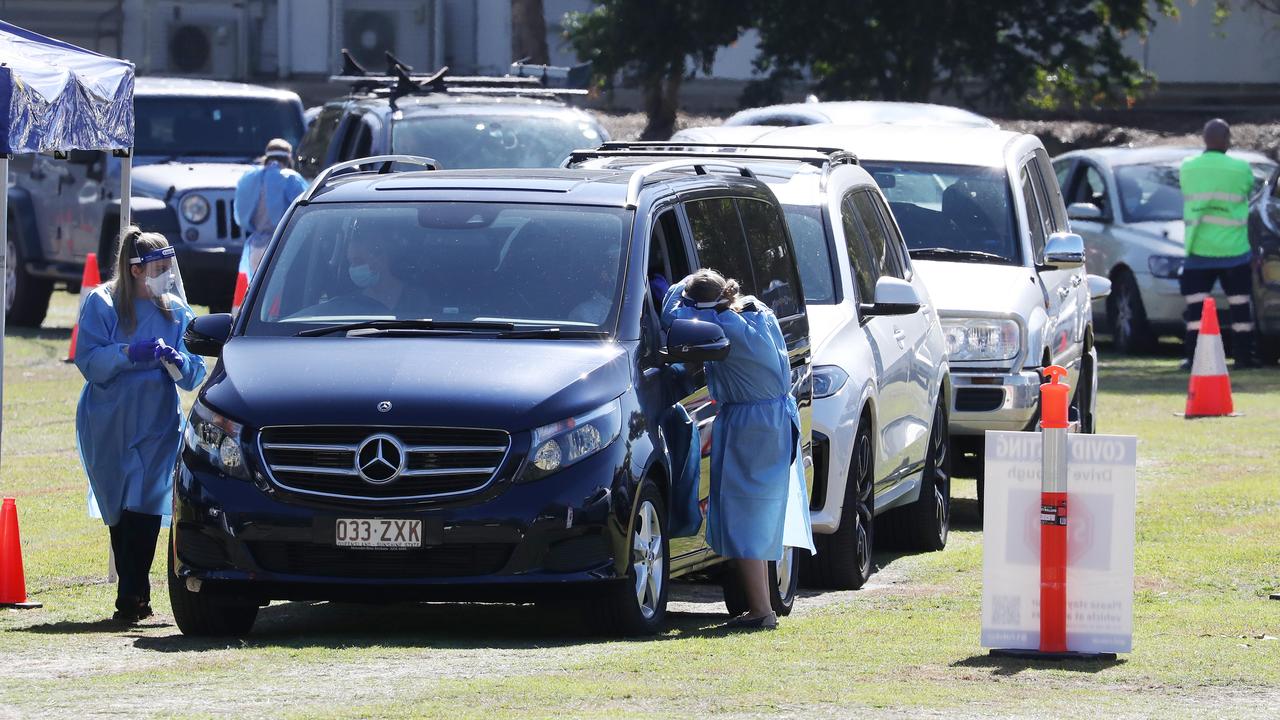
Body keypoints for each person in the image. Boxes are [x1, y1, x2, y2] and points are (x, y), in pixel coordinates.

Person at [660, 269, 815, 630]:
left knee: (746, 516)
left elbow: (671, 317)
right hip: (774, 419)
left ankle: (762, 610)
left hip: (752, 426)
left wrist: (677, 288)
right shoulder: (756, 310)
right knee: (756, 514)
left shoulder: (722, 326)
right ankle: (761, 606)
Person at [74, 227, 207, 624]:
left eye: (169, 267)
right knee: (118, 504)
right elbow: (89, 361)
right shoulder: (103, 303)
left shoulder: (177, 312)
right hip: (109, 419)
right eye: (159, 268)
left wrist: (179, 361)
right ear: (135, 270)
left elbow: (194, 373)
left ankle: (133, 595)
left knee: (146, 502)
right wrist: (127, 353)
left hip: (156, 421)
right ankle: (132, 591)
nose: (168, 275)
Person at [1179, 118, 1259, 369]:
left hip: (1198, 249)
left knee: (1195, 312)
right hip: (1234, 250)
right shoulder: (1241, 168)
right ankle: (1243, 358)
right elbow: (1249, 190)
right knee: (1240, 309)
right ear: (1226, 140)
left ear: (1204, 139)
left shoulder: (1188, 167)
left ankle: (1192, 359)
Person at [233, 138, 308, 283]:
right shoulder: (291, 179)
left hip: (255, 247)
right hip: (284, 247)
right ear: (288, 157)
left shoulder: (251, 178)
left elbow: (240, 215)